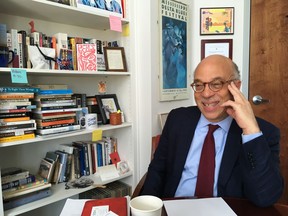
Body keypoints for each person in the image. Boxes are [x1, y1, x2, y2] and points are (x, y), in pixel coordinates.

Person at [141, 54, 284, 207]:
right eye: (199, 85)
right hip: (174, 208)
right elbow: (157, 171)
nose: (206, 94)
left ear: (236, 86)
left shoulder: (262, 133)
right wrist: (144, 209)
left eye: (216, 84)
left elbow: (266, 197)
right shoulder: (178, 119)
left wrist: (250, 131)